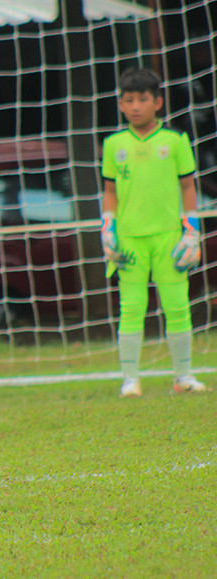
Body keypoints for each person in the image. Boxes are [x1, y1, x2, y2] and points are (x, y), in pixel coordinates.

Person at [101, 66, 206, 398]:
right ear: (120, 104)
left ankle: (183, 377)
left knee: (176, 306)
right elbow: (110, 191)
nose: (135, 106)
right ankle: (130, 379)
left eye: (142, 99)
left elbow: (188, 186)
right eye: (128, 100)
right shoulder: (113, 143)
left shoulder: (175, 140)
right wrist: (108, 228)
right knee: (131, 307)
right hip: (130, 239)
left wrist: (191, 230)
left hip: (169, 237)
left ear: (157, 102)